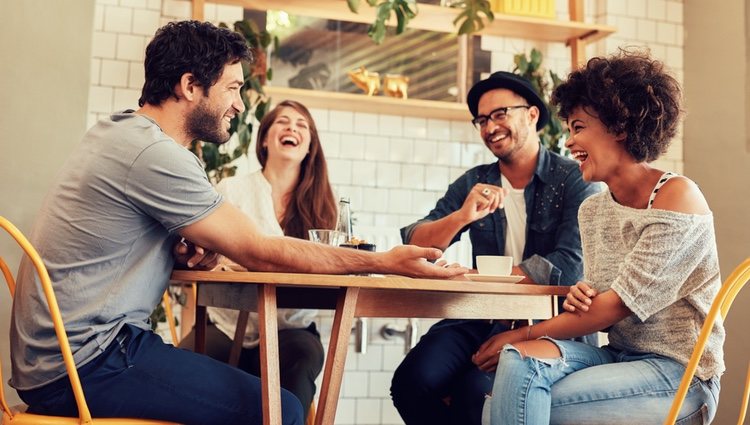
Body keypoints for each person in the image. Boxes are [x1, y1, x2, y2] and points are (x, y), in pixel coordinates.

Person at [9, 21, 466, 425]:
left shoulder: (120, 134)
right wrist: (385, 261)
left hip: (57, 358)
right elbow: (257, 248)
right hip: (88, 362)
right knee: (282, 411)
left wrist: (180, 248)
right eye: (231, 88)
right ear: (190, 85)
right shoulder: (156, 154)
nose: (239, 105)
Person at [481, 50, 724, 424]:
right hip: (619, 355)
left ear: (619, 125)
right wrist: (584, 296)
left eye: (578, 127)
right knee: (519, 363)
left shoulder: (678, 197)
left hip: (681, 375)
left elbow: (613, 307)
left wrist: (521, 332)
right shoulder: (593, 209)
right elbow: (603, 311)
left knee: (513, 401)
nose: (569, 142)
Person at [390, 71, 600, 425]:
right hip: (479, 315)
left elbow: (570, 263)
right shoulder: (475, 181)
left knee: (477, 391)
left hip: (551, 323)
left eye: (500, 114)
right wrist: (460, 216)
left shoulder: (574, 179)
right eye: (482, 120)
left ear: (532, 114)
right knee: (412, 383)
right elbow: (415, 242)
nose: (490, 127)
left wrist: (486, 277)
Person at [179, 100, 335, 421]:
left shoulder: (324, 207)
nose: (292, 128)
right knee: (183, 364)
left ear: (310, 147)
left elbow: (328, 267)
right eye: (283, 122)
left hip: (291, 328)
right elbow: (208, 257)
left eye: (302, 125)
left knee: (303, 358)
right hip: (226, 321)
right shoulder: (231, 191)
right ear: (264, 139)